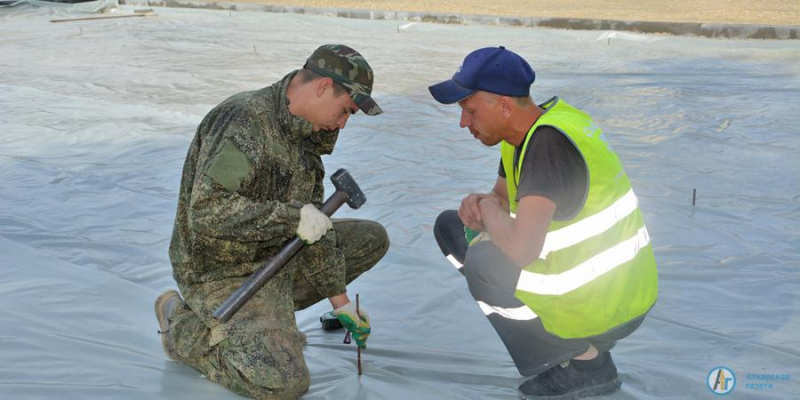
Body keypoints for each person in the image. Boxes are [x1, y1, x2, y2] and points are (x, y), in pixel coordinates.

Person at [154, 44, 390, 400]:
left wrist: (341, 304)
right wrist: (292, 218)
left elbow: (314, 228)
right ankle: (181, 325)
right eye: (345, 111)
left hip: (276, 257)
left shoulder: (309, 133)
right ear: (323, 86)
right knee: (283, 382)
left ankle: (266, 322)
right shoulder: (245, 121)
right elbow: (207, 212)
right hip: (219, 269)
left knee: (372, 238)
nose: (343, 123)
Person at [428, 46, 658, 400]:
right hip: (594, 283)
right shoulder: (523, 134)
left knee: (484, 263)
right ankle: (570, 347)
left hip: (609, 301)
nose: (464, 123)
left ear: (504, 105)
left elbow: (520, 249)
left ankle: (584, 364)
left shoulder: (548, 143)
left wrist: (489, 210)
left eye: (470, 111)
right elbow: (501, 197)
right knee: (451, 228)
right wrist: (485, 203)